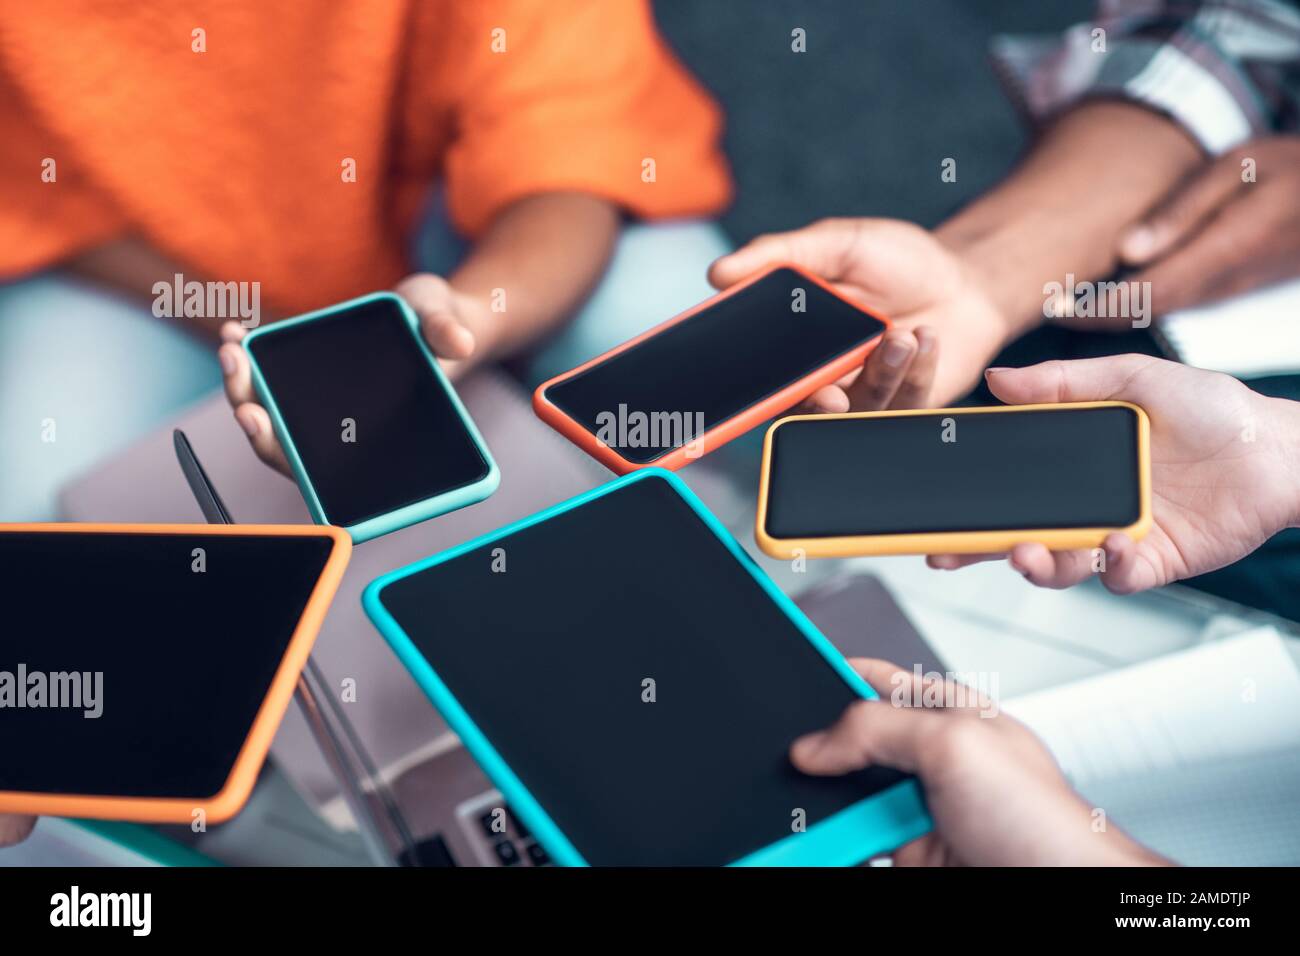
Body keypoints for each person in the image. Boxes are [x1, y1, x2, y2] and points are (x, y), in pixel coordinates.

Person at [0, 0, 734, 519]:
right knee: (27, 494)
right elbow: (42, 197)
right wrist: (277, 332)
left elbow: (571, 150)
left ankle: (814, 599)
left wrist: (469, 318)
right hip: (143, 263)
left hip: (457, 216)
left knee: (678, 315)